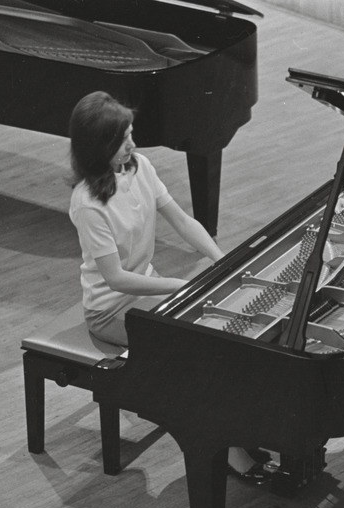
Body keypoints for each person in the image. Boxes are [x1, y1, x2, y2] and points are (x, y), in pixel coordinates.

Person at [68, 91, 271, 484]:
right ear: (100, 147)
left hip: (150, 290)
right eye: (123, 139)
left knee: (224, 330)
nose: (133, 143)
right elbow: (116, 279)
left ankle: (237, 426)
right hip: (111, 309)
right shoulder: (87, 203)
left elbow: (181, 220)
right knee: (197, 349)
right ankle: (225, 446)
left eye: (130, 133)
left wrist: (221, 258)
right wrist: (179, 286)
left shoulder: (140, 166)